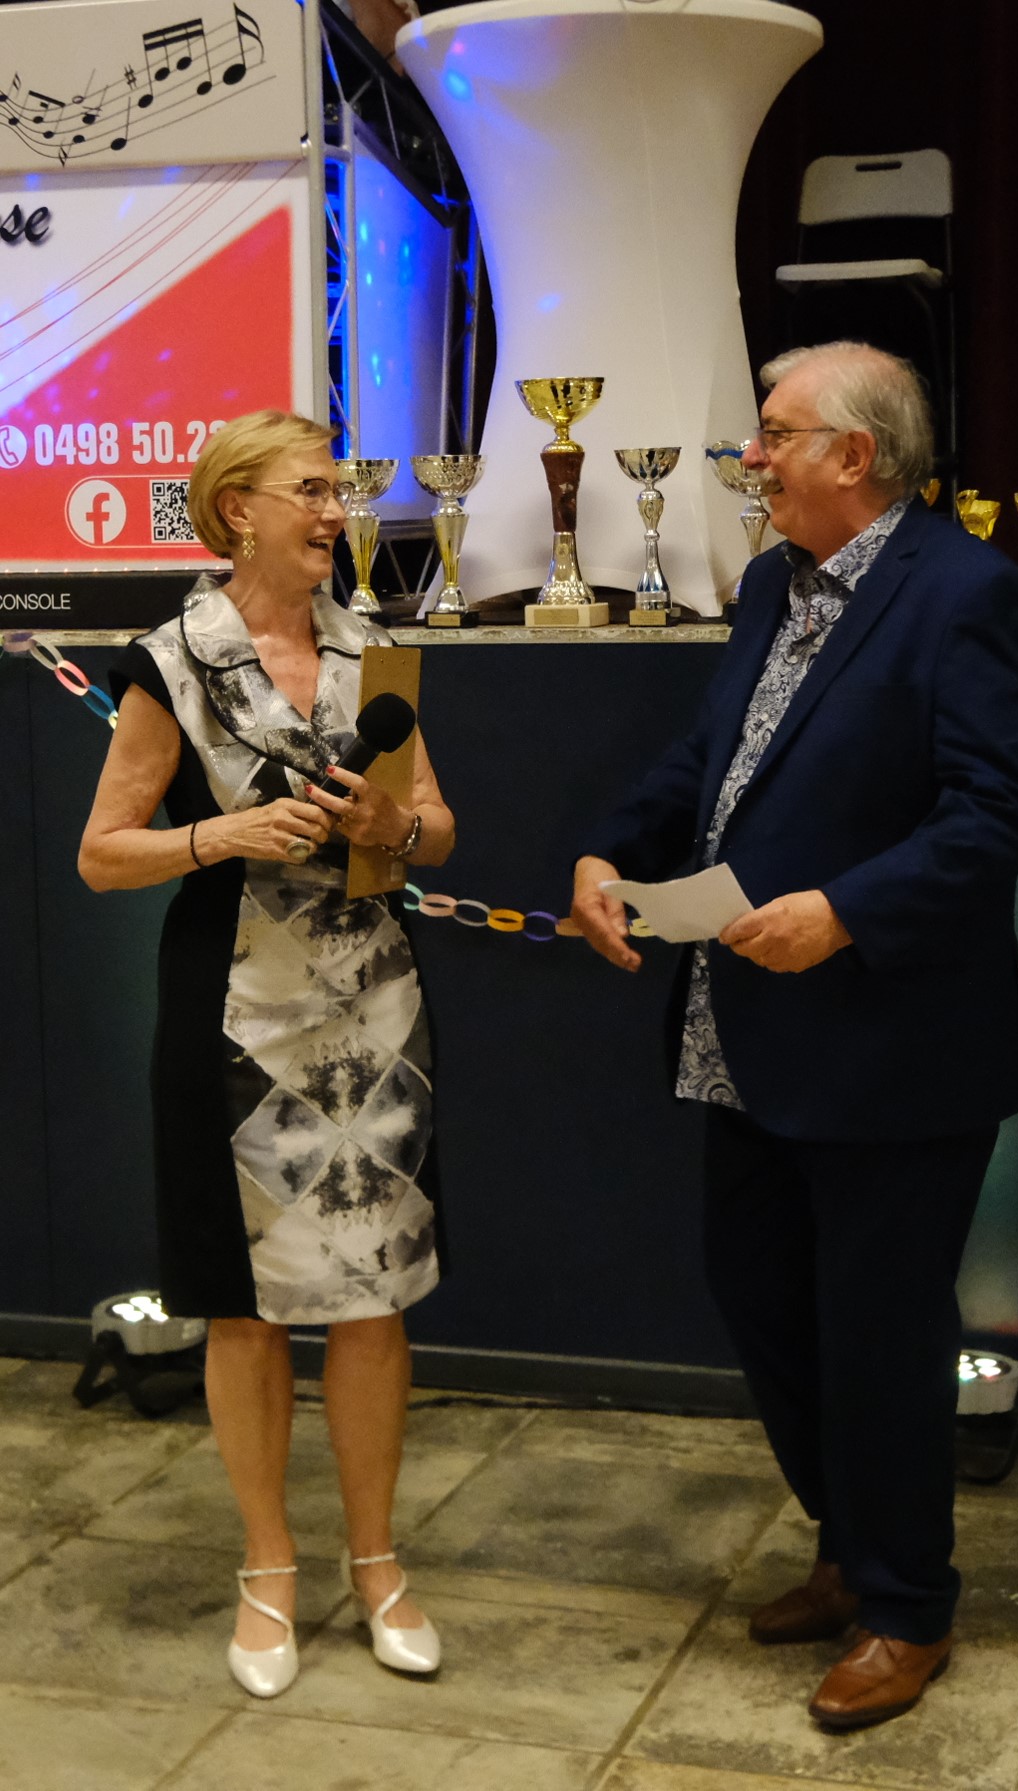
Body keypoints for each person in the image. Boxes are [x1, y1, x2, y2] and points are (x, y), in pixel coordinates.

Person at [571, 342, 1018, 1730]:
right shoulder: (772, 582)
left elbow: (998, 812)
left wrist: (847, 912)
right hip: (745, 1024)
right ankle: (850, 1544)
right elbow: (713, 760)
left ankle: (907, 1607)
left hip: (894, 1039)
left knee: (880, 1333)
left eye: (775, 434)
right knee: (761, 1296)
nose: (752, 457)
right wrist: (614, 847)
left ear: (858, 454)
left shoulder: (966, 589)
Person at [79, 411, 455, 1699]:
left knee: (374, 1296)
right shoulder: (169, 660)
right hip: (233, 1019)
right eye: (314, 490)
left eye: (340, 491)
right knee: (242, 1307)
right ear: (238, 509)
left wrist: (393, 823)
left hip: (375, 1014)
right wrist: (221, 838)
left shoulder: (372, 648)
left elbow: (439, 830)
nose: (337, 511)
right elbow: (102, 853)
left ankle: (378, 1564)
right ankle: (269, 1567)